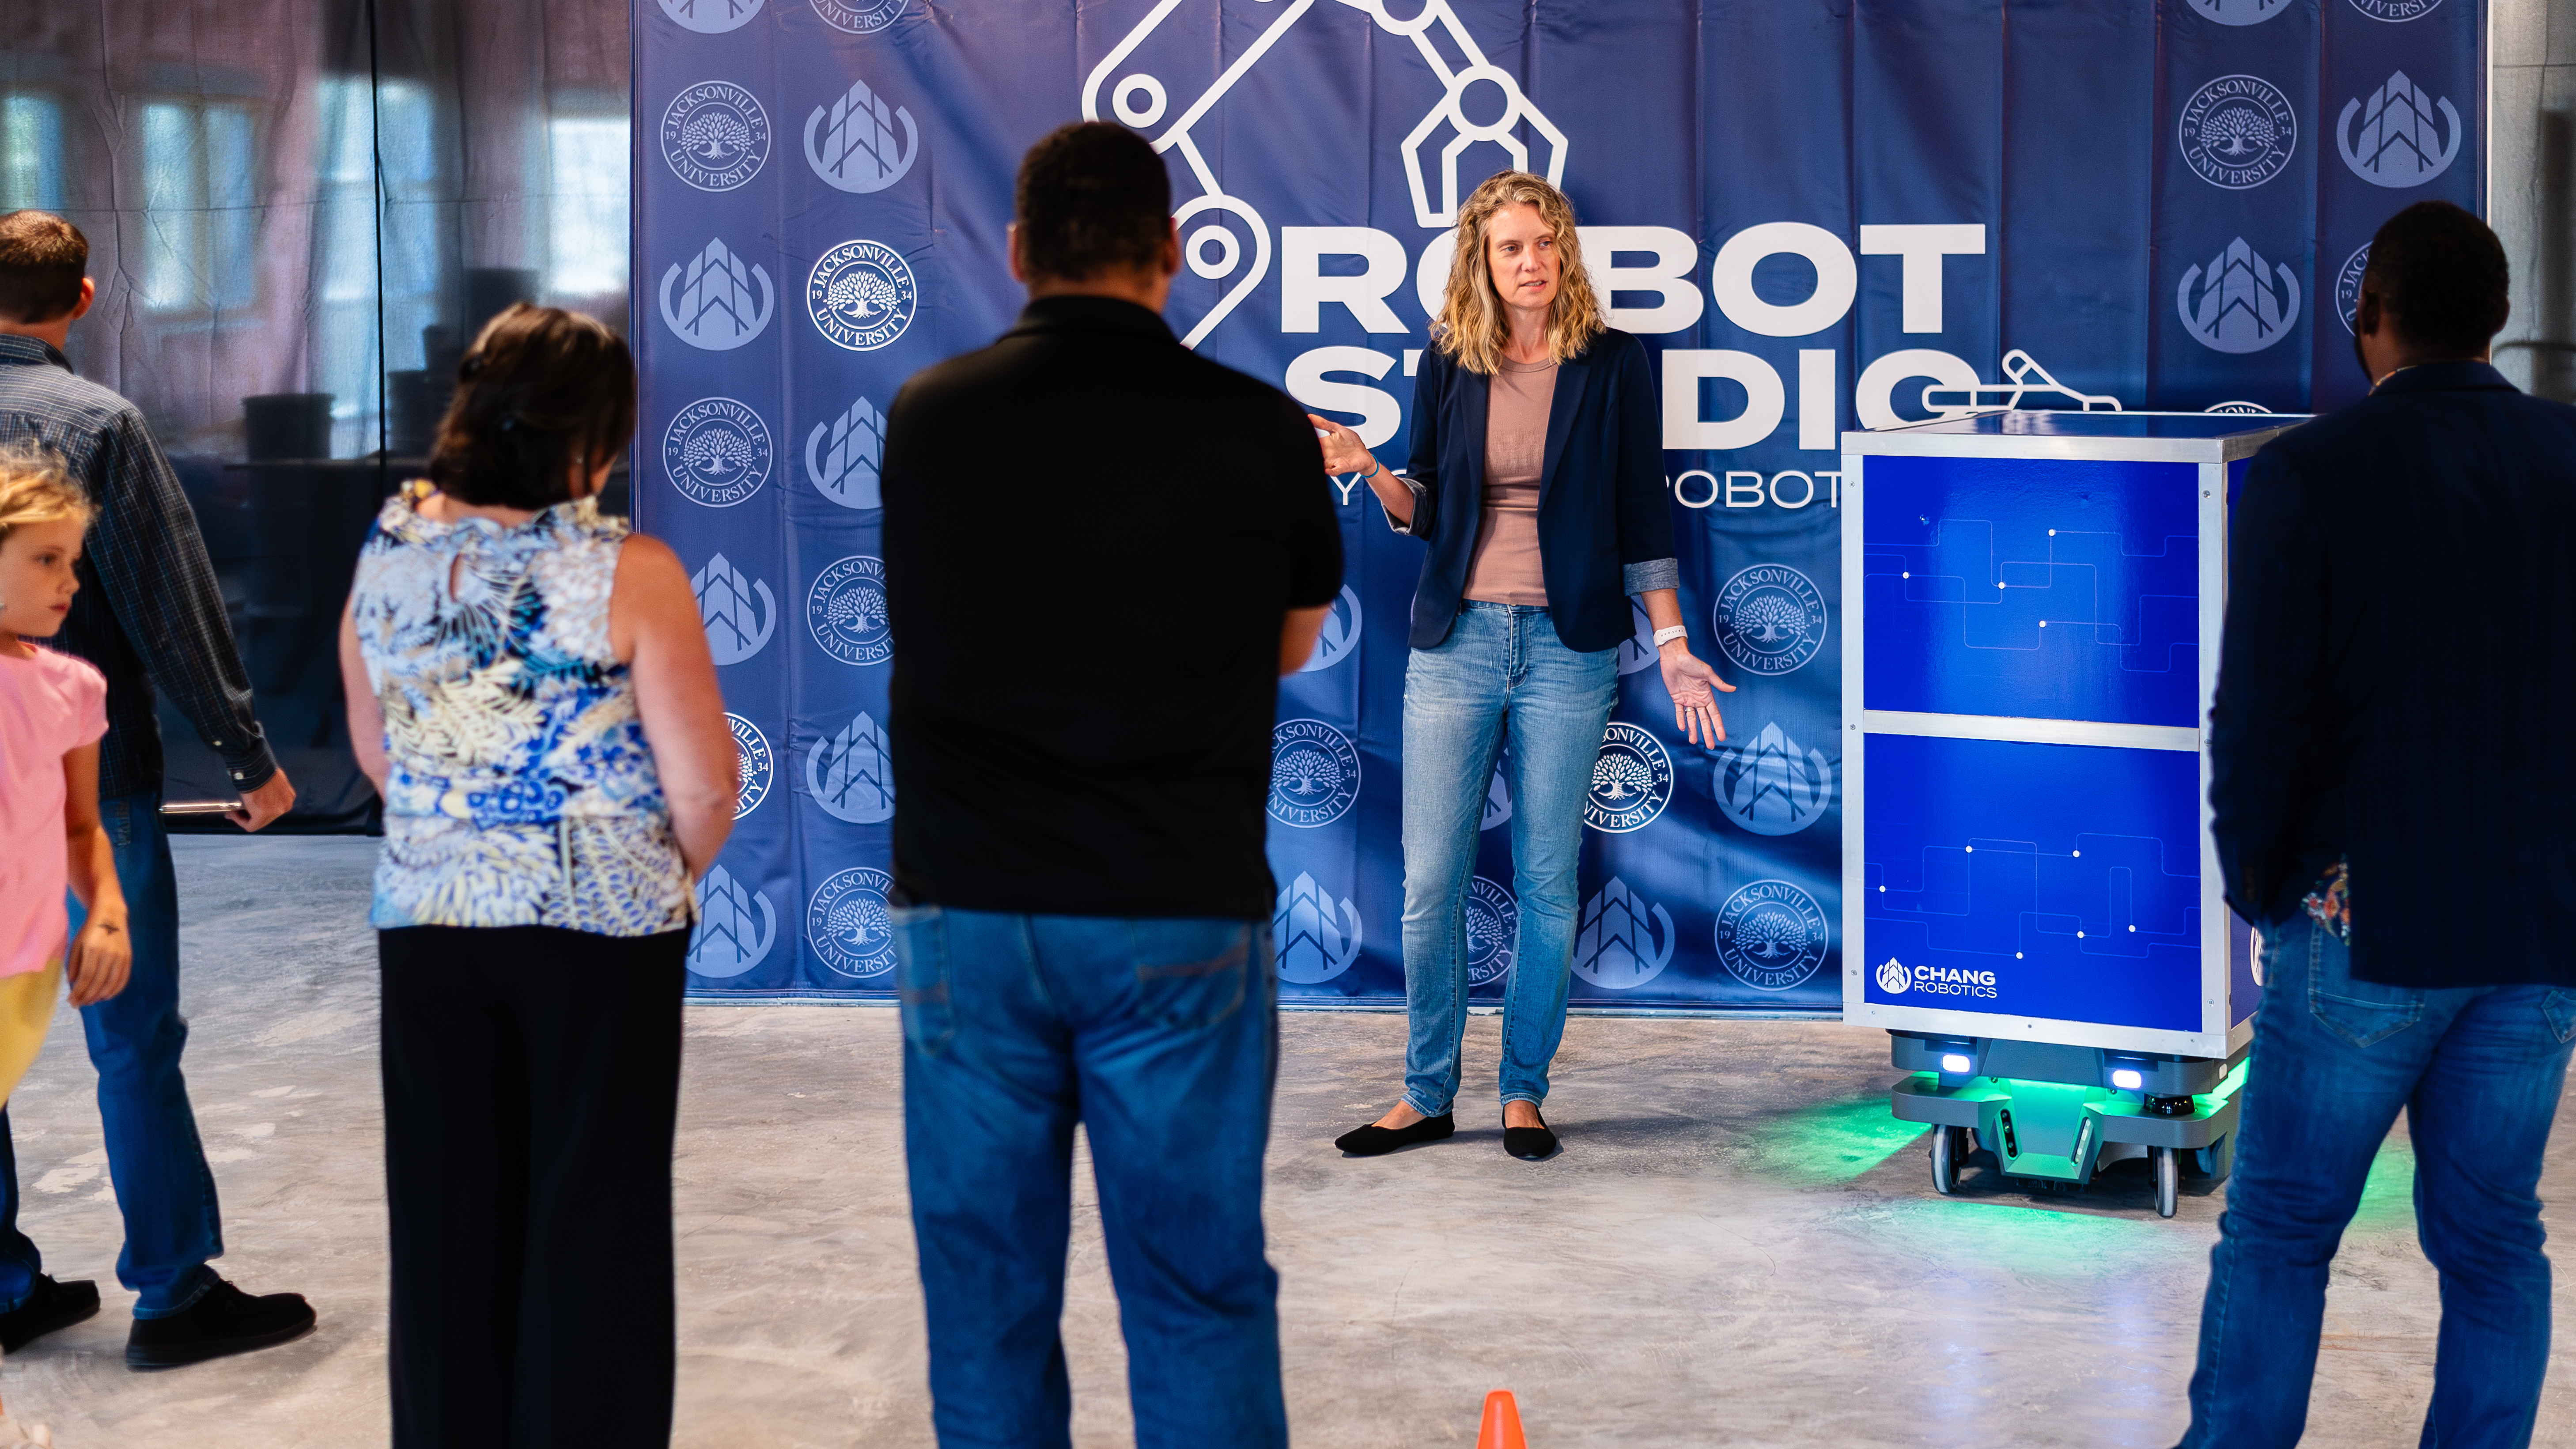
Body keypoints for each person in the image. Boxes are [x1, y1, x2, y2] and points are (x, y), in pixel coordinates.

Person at [879, 121, 1339, 1449]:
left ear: (1018, 249)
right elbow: (1290, 642)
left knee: (985, 1305)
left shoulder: (931, 415)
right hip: (1175, 901)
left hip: (970, 909)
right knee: (1197, 1296)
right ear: (1173, 251)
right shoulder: (1256, 427)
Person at [2186, 200, 2576, 1449]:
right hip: (2539, 928)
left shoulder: (2314, 470)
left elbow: (2259, 713)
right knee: (2495, 1239)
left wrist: (2259, 887)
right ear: (2499, 320)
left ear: (2369, 318)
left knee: (2281, 1229)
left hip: (2365, 918)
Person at [337, 305, 734, 1446]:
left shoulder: (387, 551)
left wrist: (458, 836)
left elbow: (377, 749)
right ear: (591, 438)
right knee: (593, 1217)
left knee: (446, 1218)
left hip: (430, 915)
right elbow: (704, 786)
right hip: (600, 929)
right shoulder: (628, 569)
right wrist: (645, 873)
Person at [1318, 171, 1731, 1163]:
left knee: (1547, 881)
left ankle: (1522, 1093)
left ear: (1564, 252)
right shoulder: (1450, 358)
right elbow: (1429, 505)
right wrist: (1372, 471)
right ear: (1482, 258)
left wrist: (1673, 644)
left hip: (1566, 650)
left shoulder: (1613, 363)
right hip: (1455, 644)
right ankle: (1426, 1093)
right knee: (1431, 883)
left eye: (1545, 242)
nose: (1531, 261)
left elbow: (1642, 517)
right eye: (1510, 246)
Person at [0, 210, 310, 1368]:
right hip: (87, 783)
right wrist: (248, 758)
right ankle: (173, 1294)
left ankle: (4, 1290)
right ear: (84, 299)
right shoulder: (97, 425)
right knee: (129, 1037)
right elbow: (167, 608)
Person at [0, 445, 132, 1445]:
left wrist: (110, 917)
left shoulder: (72, 688)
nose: (69, 582)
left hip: (25, 974)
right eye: (46, 559)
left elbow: (85, 828)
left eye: (74, 563)